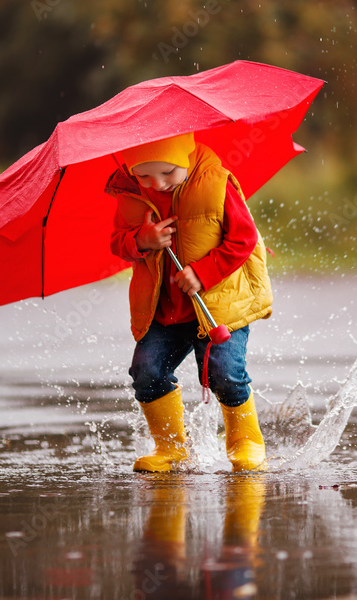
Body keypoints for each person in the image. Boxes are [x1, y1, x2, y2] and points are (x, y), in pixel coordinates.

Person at [107, 132, 272, 472]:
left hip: (215, 305)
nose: (157, 183)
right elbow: (117, 243)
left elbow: (244, 238)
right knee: (146, 372)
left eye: (167, 172)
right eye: (144, 175)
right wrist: (141, 240)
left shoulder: (216, 183)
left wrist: (204, 272)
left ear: (185, 156)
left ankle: (247, 442)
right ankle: (170, 447)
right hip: (163, 309)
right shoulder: (130, 195)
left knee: (224, 373)